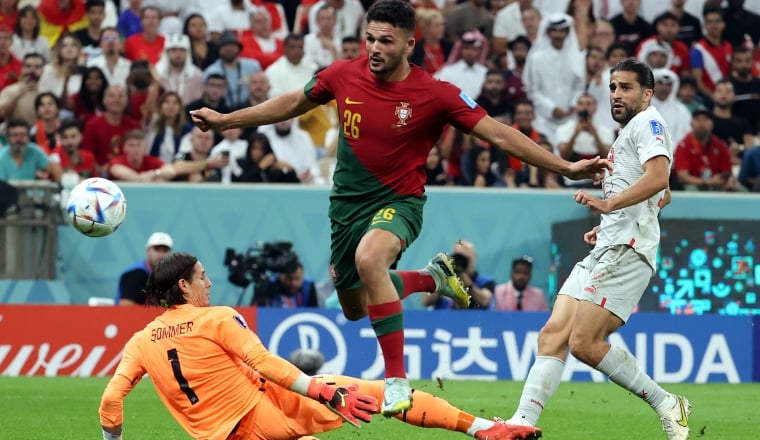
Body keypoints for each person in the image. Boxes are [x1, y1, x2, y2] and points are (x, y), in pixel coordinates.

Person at [191, 0, 609, 417]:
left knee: (370, 258)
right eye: (369, 39)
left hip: (400, 202)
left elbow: (498, 135)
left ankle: (396, 381)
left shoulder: (435, 94)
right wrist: (227, 121)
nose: (374, 48)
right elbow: (289, 104)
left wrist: (565, 167)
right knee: (355, 308)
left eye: (385, 41)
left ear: (409, 44)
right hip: (345, 210)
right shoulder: (342, 75)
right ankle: (432, 279)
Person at [99, 251, 542, 440]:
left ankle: (485, 428)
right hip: (267, 411)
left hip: (233, 429)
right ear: (183, 284)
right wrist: (320, 389)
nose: (210, 283)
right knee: (378, 393)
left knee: (381, 393)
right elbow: (265, 362)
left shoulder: (140, 342)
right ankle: (484, 429)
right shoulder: (216, 318)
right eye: (201, 277)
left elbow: (110, 402)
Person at [505, 58, 689, 440]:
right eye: (612, 87)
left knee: (584, 343)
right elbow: (664, 196)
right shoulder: (627, 133)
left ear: (647, 94)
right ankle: (522, 422)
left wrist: (609, 207)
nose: (616, 95)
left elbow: (660, 178)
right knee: (553, 333)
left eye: (626, 88)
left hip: (627, 250)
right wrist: (610, 222)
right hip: (610, 242)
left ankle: (667, 402)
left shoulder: (648, 123)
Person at [115, 231, 173, 305]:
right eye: (157, 249)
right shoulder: (135, 275)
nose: (161, 255)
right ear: (148, 250)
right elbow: (126, 308)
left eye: (165, 251)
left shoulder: (171, 277)